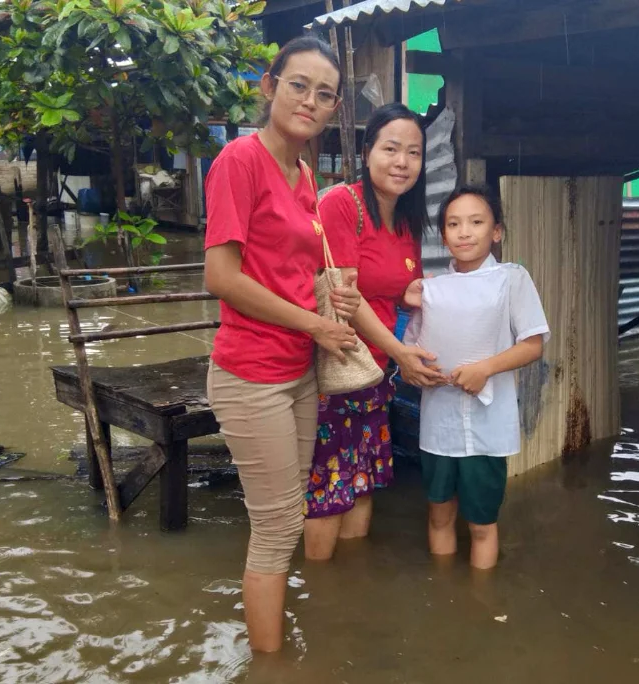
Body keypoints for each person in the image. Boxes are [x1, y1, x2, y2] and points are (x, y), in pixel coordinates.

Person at [203, 36, 362, 653]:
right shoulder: (239, 161)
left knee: (288, 518)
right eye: (298, 85)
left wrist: (332, 302)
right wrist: (315, 325)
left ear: (333, 108)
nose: (310, 101)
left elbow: (292, 270)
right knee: (273, 529)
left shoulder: (302, 174)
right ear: (269, 87)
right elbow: (222, 277)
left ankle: (272, 647)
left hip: (296, 371)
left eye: (324, 94)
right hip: (251, 373)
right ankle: (272, 667)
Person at [303, 103, 447, 561]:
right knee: (329, 484)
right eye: (390, 148)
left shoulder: (405, 220)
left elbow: (385, 288)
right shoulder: (342, 203)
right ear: (367, 153)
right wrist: (402, 355)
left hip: (374, 374)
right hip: (335, 368)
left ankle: (351, 593)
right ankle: (322, 599)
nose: (402, 162)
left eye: (414, 152)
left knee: (362, 479)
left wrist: (406, 296)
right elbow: (346, 295)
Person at [403, 185, 550, 570]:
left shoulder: (511, 279)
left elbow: (533, 344)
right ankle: (448, 602)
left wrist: (485, 368)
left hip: (488, 427)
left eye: (476, 222)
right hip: (438, 424)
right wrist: (416, 372)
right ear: (444, 234)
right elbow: (411, 351)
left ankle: (480, 608)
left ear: (496, 232)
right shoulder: (430, 290)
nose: (464, 232)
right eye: (453, 224)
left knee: (483, 524)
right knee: (439, 517)